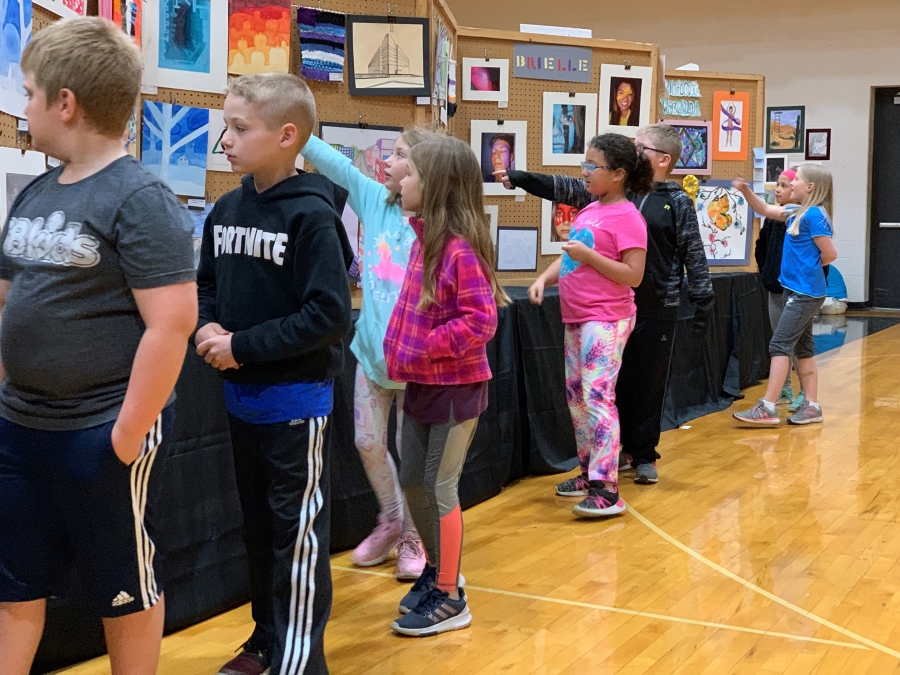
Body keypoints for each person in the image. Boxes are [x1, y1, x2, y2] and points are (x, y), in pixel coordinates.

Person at [0, 18, 198, 675]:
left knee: (125, 589)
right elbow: (8, 301)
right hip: (19, 427)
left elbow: (171, 325)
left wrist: (124, 434)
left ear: (65, 103)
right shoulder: (34, 191)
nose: (21, 105)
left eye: (28, 93)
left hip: (99, 432)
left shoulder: (141, 199)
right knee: (14, 580)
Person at [196, 73, 352, 675]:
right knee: (259, 532)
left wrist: (243, 346)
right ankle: (268, 641)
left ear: (288, 136)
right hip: (242, 403)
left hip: (296, 404)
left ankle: (299, 660)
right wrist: (208, 331)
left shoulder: (313, 217)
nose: (226, 141)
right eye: (225, 126)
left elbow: (329, 315)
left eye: (240, 128)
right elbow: (207, 283)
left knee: (297, 541)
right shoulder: (227, 207)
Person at [495, 123, 714, 486]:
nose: (634, 148)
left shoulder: (671, 202)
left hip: (648, 306)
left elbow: (692, 253)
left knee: (640, 386)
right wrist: (519, 178)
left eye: (640, 146)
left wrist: (702, 303)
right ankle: (603, 463)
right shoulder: (598, 202)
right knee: (596, 392)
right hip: (597, 309)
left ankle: (637, 458)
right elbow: (562, 190)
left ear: (659, 159)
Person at [384, 135, 508, 636]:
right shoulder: (423, 241)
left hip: (456, 387)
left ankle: (452, 595)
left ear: (434, 186)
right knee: (413, 478)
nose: (401, 179)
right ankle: (437, 571)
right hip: (423, 385)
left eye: (410, 173)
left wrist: (429, 345)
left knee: (439, 486)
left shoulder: (458, 250)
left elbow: (482, 320)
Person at [300, 126, 435, 580]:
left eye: (399, 156)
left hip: (418, 366)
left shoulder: (439, 227)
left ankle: (415, 535)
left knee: (409, 452)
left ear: (424, 172)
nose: (389, 163)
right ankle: (393, 518)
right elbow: (335, 164)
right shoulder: (376, 200)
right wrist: (296, 129)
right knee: (368, 441)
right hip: (373, 358)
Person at [528, 134, 652, 517]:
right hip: (577, 318)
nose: (583, 172)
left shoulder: (629, 217)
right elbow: (571, 259)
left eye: (591, 166)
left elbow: (633, 276)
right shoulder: (589, 210)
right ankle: (587, 472)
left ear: (617, 174)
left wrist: (590, 256)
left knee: (597, 397)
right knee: (578, 399)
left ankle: (607, 487)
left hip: (607, 319)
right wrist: (543, 279)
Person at [732, 165, 837, 426]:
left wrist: (810, 268)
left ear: (809, 187)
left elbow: (830, 254)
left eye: (797, 179)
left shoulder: (813, 216)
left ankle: (767, 406)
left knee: (779, 345)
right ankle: (812, 406)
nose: (792, 183)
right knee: (804, 348)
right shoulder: (797, 212)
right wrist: (745, 190)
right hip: (797, 291)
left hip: (805, 293)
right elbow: (765, 209)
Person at [755, 168, 805, 410]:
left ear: (796, 190)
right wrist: (765, 272)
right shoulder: (771, 219)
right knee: (779, 341)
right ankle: (785, 387)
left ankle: (806, 392)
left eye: (784, 185)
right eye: (778, 184)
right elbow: (761, 246)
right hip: (775, 289)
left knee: (797, 343)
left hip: (797, 293)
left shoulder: (803, 219)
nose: (778, 189)